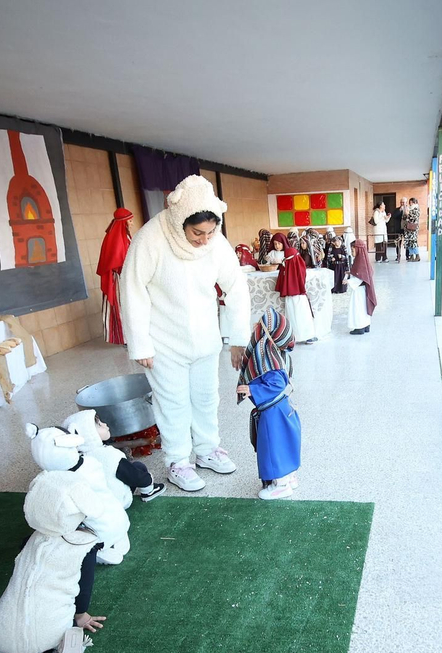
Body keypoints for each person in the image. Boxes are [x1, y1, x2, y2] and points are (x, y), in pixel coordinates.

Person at [118, 174, 249, 494]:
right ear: (180, 222)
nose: (205, 239)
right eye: (197, 233)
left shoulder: (216, 242)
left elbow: (236, 288)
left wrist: (238, 339)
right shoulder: (151, 238)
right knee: (172, 402)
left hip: (205, 338)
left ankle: (206, 450)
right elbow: (131, 289)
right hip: (163, 342)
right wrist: (140, 344)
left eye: (210, 231)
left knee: (206, 399)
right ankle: (178, 462)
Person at [0, 467, 107, 653]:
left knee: (19, 615)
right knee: (60, 620)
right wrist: (80, 614)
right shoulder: (82, 544)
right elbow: (84, 586)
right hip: (48, 628)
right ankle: (64, 647)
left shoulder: (32, 539)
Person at [235, 307, 303, 500]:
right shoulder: (276, 354)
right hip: (283, 408)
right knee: (286, 443)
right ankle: (290, 477)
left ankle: (280, 485)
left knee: (273, 446)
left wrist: (253, 390)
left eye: (260, 325)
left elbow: (277, 382)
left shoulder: (268, 357)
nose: (256, 327)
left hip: (273, 412)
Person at [62, 409, 164, 504]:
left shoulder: (76, 458)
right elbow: (132, 474)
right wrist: (147, 480)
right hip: (118, 500)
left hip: (94, 502)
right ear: (88, 433)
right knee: (137, 467)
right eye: (99, 425)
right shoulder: (108, 455)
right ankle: (149, 491)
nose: (105, 424)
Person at [96, 208, 135, 345]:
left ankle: (131, 336)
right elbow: (117, 261)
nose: (132, 223)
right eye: (130, 221)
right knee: (122, 307)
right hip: (118, 279)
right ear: (123, 222)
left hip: (126, 277)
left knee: (130, 307)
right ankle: (124, 338)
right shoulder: (116, 238)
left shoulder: (124, 236)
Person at [276, 231, 316, 345]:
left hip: (292, 296)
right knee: (302, 316)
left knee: (293, 316)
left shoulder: (287, 265)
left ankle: (294, 337)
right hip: (298, 296)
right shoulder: (297, 263)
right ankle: (306, 336)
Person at [347, 238, 378, 334]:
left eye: (352, 250)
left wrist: (348, 281)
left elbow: (359, 278)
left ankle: (359, 327)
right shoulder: (363, 260)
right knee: (365, 308)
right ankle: (366, 325)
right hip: (364, 290)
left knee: (358, 308)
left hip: (359, 290)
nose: (351, 253)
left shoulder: (360, 261)